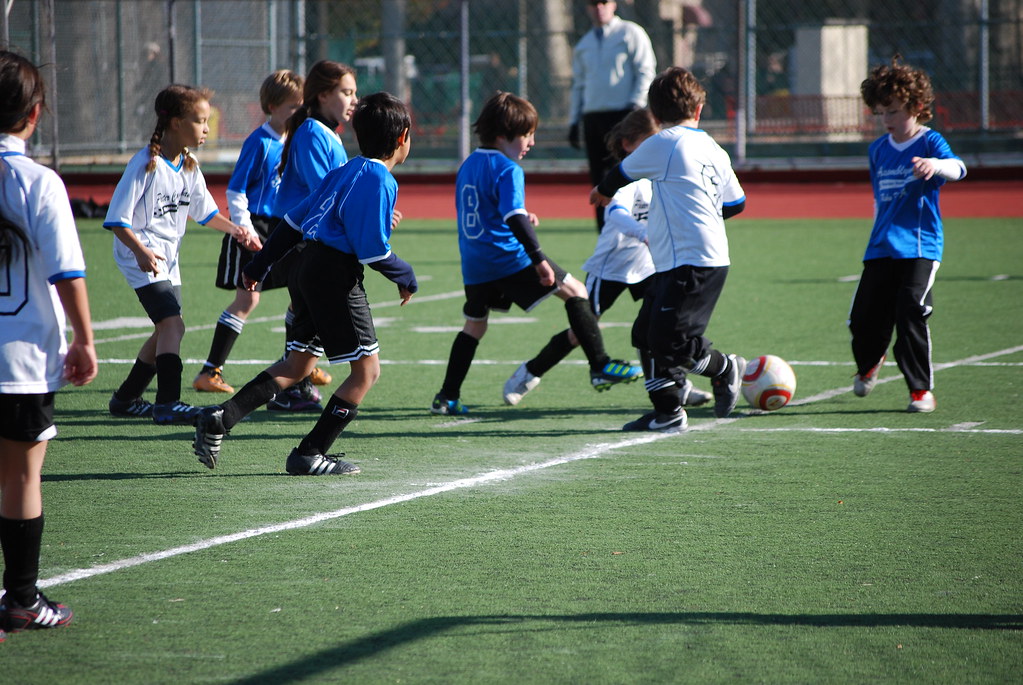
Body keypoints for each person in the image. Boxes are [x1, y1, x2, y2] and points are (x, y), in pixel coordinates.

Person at [192, 92, 417, 476]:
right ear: (403, 138)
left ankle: (221, 417)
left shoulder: (343, 170)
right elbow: (371, 251)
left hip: (305, 268)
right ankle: (310, 452)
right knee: (366, 372)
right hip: (335, 277)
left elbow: (293, 221)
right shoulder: (380, 179)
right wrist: (405, 275)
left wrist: (260, 264)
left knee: (297, 363)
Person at [432, 91, 642, 417]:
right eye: (526, 134)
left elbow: (481, 211)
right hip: (508, 258)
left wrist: (518, 217)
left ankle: (447, 396)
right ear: (503, 135)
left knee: (475, 325)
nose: (531, 141)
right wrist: (539, 258)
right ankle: (600, 364)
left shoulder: (469, 164)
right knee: (576, 291)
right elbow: (512, 216)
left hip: (475, 263)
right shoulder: (508, 168)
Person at [503, 107, 713, 418]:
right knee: (581, 333)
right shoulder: (624, 177)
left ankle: (676, 385)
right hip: (611, 268)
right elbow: (615, 213)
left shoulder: (660, 174)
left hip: (649, 267)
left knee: (663, 326)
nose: (657, 149)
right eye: (650, 142)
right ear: (629, 144)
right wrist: (643, 233)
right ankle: (529, 372)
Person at [0, 50, 98, 637]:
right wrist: (84, 339)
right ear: (35, 114)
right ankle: (22, 600)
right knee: (19, 477)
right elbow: (66, 271)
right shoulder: (36, 180)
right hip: (21, 359)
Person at [590, 67, 748, 428]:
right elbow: (736, 203)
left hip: (692, 260)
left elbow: (622, 173)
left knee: (670, 342)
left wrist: (601, 191)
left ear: (655, 116)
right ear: (699, 109)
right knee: (645, 333)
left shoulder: (665, 142)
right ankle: (668, 412)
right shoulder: (713, 148)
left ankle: (725, 367)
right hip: (687, 259)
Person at [104, 84, 262, 426]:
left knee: (165, 330)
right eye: (199, 120)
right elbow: (117, 220)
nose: (207, 128)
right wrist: (141, 251)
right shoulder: (145, 164)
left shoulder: (188, 165)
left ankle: (126, 398)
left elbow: (205, 214)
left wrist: (238, 230)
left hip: (166, 258)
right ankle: (168, 404)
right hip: (140, 254)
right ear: (175, 122)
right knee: (173, 325)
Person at [849, 56, 966, 413]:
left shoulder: (930, 142)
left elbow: (958, 168)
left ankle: (920, 390)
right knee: (863, 317)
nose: (887, 120)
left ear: (916, 107)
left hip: (919, 245)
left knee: (910, 310)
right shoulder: (878, 150)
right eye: (882, 112)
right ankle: (870, 361)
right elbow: (877, 200)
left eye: (894, 112)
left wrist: (936, 167)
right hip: (882, 245)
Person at [259, 59, 362, 411]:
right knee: (310, 310)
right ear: (322, 95)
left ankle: (295, 384)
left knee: (304, 309)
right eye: (346, 92)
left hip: (306, 234)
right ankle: (290, 386)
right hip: (297, 235)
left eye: (354, 92)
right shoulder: (313, 133)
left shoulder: (324, 132)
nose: (353, 100)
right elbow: (325, 193)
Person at [192, 69, 303, 395]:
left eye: (301, 106)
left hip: (283, 227)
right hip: (254, 225)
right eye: (291, 107)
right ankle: (210, 372)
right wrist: (245, 228)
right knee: (247, 299)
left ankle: (298, 367)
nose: (297, 113)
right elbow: (236, 190)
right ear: (271, 106)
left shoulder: (296, 140)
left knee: (301, 294)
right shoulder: (259, 141)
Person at [569, 0, 656, 232]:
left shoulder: (630, 33)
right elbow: (578, 84)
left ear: (614, 4)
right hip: (593, 117)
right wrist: (573, 120)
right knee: (599, 176)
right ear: (586, 8)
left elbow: (645, 70)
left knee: (627, 172)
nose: (599, 7)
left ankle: (634, 226)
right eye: (592, 3)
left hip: (623, 115)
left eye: (603, 2)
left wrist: (635, 108)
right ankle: (605, 230)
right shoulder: (583, 44)